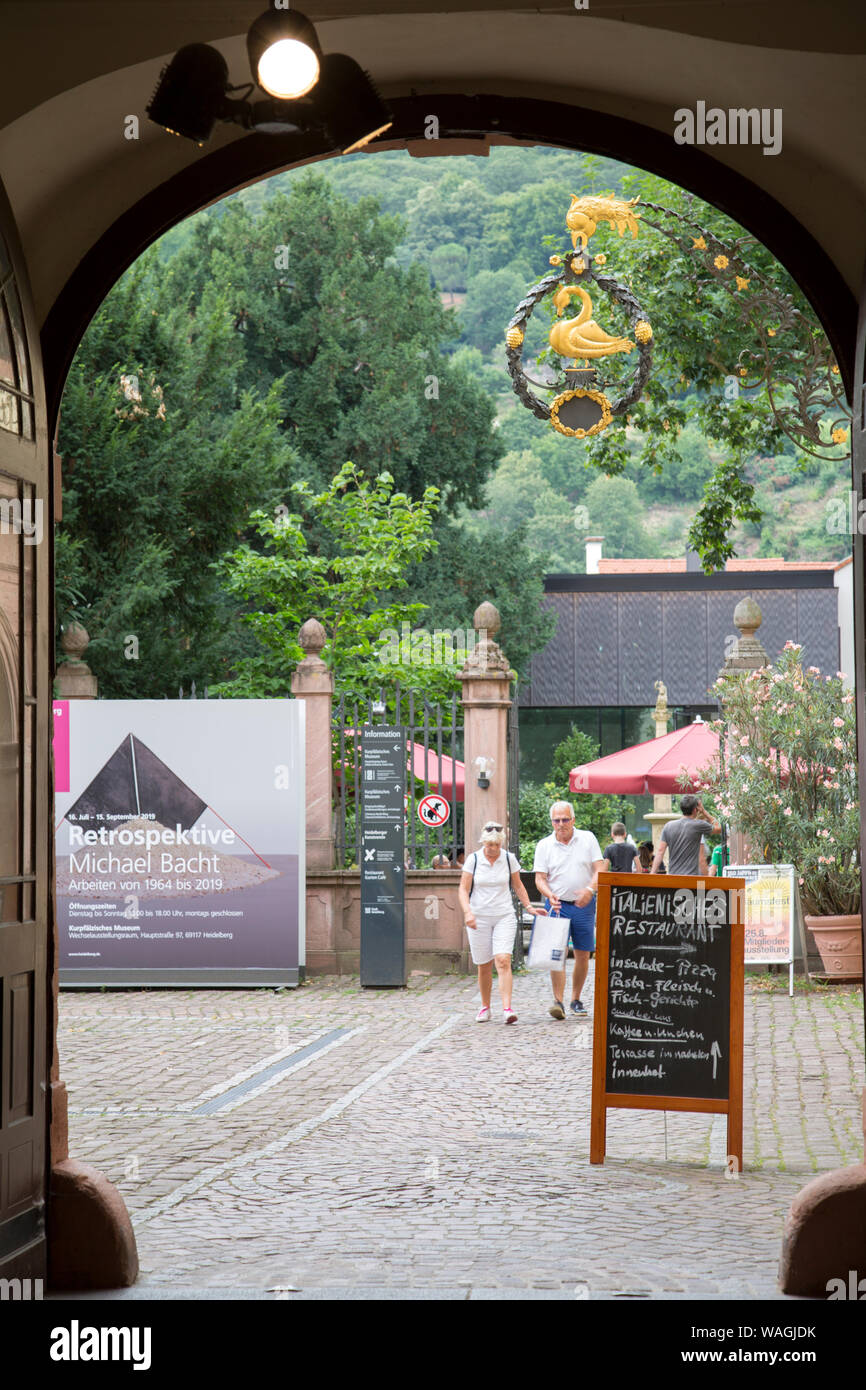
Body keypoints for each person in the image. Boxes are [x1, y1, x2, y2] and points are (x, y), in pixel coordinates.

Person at [459, 821, 547, 1024]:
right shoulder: (473, 860)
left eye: (497, 845)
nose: (493, 849)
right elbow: (463, 889)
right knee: (484, 965)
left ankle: (507, 1008)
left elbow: (518, 885)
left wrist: (529, 907)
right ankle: (485, 1006)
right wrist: (467, 912)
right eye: (490, 845)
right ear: (484, 843)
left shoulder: (509, 859)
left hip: (504, 915)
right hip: (478, 916)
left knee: (503, 960)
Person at [533, 800, 605, 1020]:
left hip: (583, 904)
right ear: (552, 821)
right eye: (557, 820)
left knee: (583, 953)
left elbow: (600, 868)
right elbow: (540, 878)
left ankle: (575, 998)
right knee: (557, 953)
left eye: (565, 819)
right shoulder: (544, 845)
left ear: (573, 820)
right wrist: (548, 894)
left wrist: (590, 890)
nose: (561, 824)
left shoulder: (587, 838)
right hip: (557, 904)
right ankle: (558, 1001)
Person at [651, 795, 720, 876]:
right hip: (691, 878)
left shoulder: (668, 826)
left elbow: (660, 852)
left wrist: (652, 873)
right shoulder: (698, 825)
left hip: (674, 877)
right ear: (695, 809)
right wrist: (704, 812)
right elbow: (719, 828)